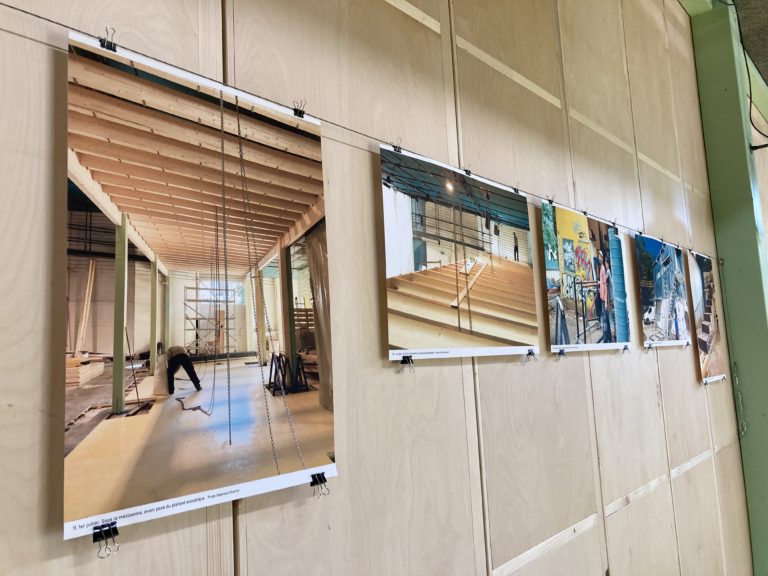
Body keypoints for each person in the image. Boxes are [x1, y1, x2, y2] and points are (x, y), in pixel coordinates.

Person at [598, 251, 613, 343]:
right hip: (605, 297)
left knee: (607, 318)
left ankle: (608, 337)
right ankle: (608, 337)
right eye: (598, 256)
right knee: (606, 318)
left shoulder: (606, 271)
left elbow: (607, 286)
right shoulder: (604, 269)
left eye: (600, 256)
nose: (599, 258)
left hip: (607, 297)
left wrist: (608, 301)